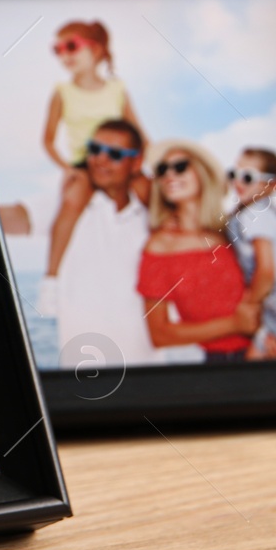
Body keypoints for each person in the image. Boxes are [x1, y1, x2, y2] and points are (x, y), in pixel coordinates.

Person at [38, 21, 148, 317]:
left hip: (121, 162)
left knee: (151, 196)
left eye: (71, 46)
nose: (64, 54)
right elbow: (47, 140)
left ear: (96, 49)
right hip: (85, 165)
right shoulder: (62, 92)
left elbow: (139, 133)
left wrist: (139, 168)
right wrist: (67, 169)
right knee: (71, 202)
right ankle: (51, 281)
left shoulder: (117, 89)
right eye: (57, 49)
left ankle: (166, 270)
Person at [54, 120, 171, 369]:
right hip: (84, 377)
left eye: (115, 154)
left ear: (137, 162)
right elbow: (14, 216)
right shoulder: (70, 198)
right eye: (94, 150)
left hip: (150, 373)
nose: (100, 160)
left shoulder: (154, 213)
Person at [138, 140, 260, 362]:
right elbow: (159, 334)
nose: (170, 175)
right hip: (224, 365)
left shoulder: (230, 230)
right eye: (162, 170)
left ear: (202, 173)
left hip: (270, 351)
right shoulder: (159, 247)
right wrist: (234, 325)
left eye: (180, 166)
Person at [226, 147, 276, 360]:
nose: (238, 182)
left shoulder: (255, 214)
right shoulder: (258, 212)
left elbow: (266, 270)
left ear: (272, 185)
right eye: (233, 174)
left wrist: (249, 303)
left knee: (262, 358)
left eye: (247, 177)